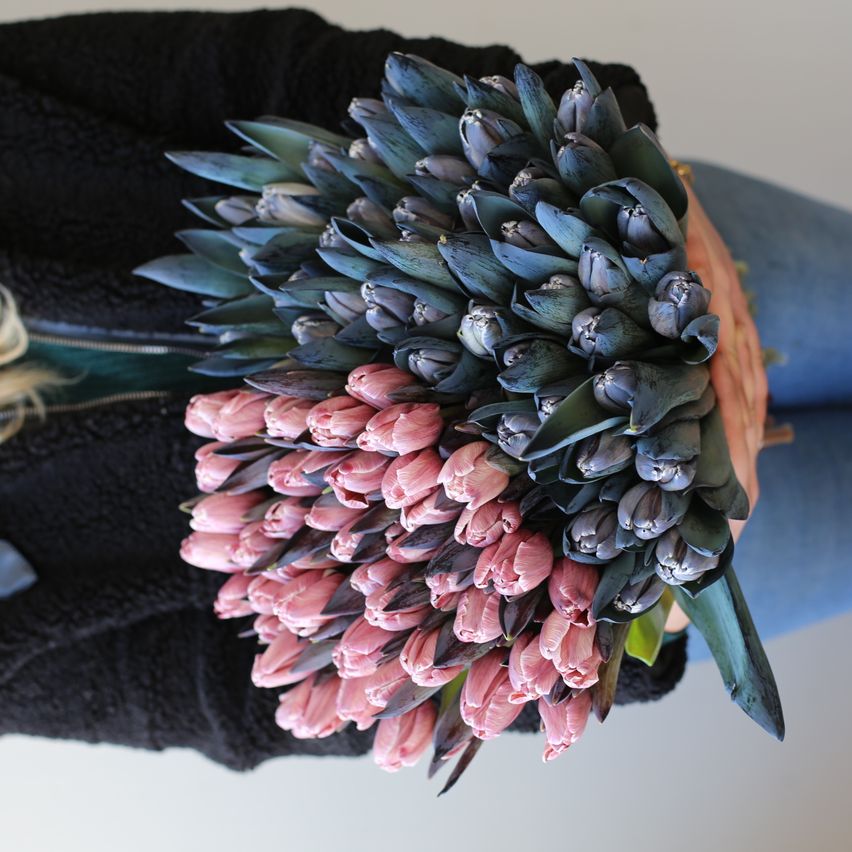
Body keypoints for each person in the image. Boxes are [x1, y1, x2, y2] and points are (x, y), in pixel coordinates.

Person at [0, 7, 847, 768]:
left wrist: (629, 190)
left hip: (633, 261)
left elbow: (255, 71)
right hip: (651, 561)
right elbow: (239, 695)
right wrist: (614, 635)